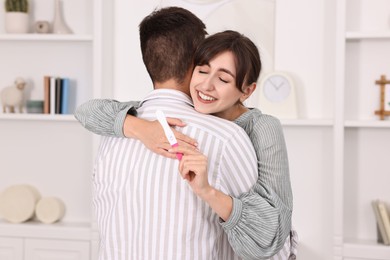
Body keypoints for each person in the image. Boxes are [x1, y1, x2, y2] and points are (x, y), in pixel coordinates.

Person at [76, 29, 298, 259]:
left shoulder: (262, 128)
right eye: (202, 71)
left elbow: (276, 227)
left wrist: (208, 192)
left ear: (247, 91)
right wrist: (144, 129)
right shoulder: (190, 110)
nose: (207, 85)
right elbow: (87, 111)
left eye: (223, 79)